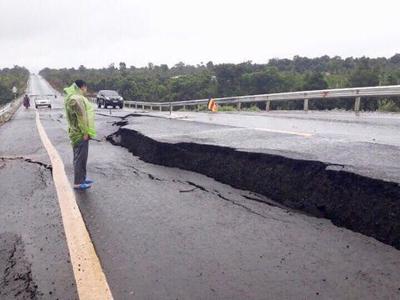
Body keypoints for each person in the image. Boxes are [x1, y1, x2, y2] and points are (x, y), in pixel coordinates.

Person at [64, 80, 96, 190]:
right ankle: (78, 182)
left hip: (76, 133)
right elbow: (81, 118)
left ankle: (82, 178)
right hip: (80, 134)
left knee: (81, 157)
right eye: (85, 88)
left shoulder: (73, 97)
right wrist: (85, 132)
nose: (86, 90)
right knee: (80, 158)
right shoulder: (76, 99)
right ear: (82, 87)